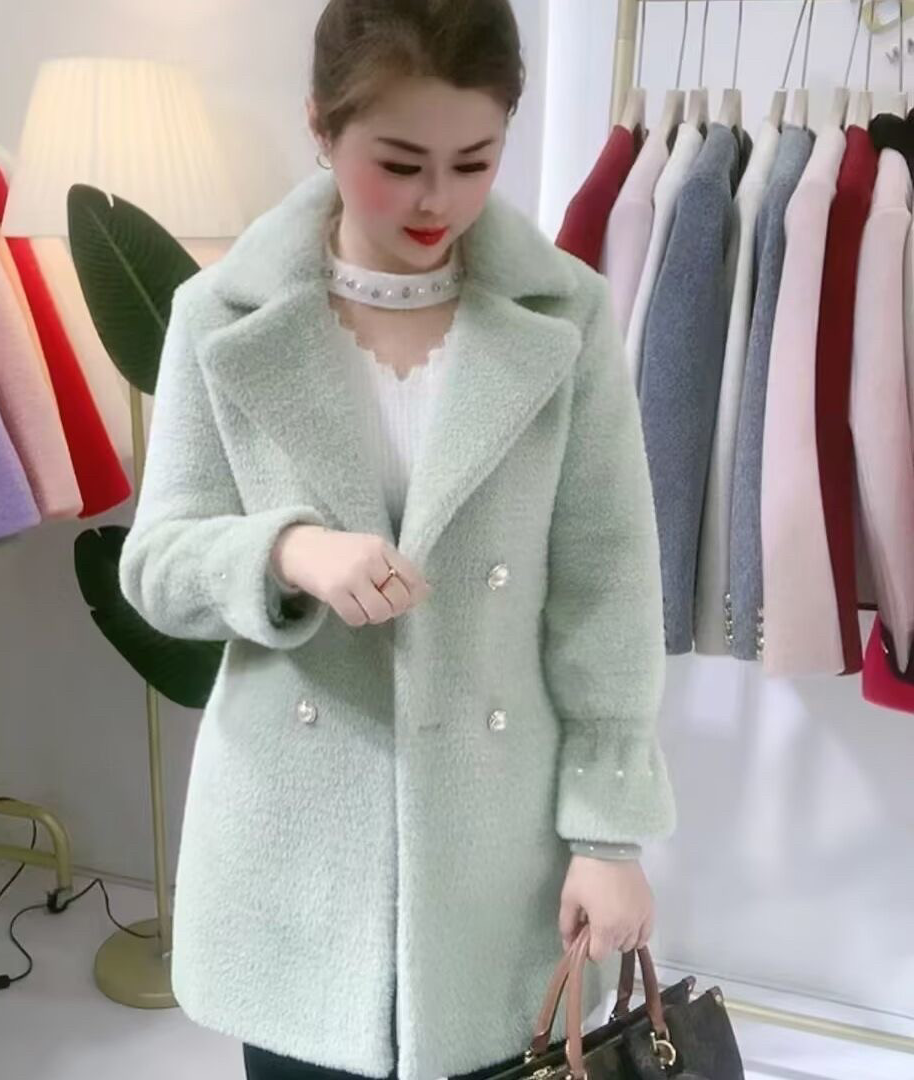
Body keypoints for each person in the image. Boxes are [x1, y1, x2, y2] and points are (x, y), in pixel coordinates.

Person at [118, 2, 677, 1078]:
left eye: (475, 162)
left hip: (497, 844)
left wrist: (609, 834)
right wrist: (286, 553)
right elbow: (157, 565)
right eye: (400, 163)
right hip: (293, 844)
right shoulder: (218, 317)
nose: (438, 201)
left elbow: (608, 585)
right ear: (320, 127)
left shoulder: (567, 318)